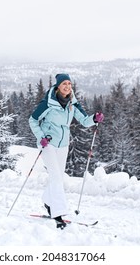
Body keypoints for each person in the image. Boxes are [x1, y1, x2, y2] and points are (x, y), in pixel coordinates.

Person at [28, 73, 104, 229]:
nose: (67, 86)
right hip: (47, 143)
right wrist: (41, 136)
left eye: (69, 84)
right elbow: (33, 120)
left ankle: (48, 201)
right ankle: (58, 214)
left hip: (63, 144)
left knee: (58, 177)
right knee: (56, 177)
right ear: (58, 86)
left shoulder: (72, 103)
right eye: (64, 84)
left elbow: (84, 120)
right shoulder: (48, 103)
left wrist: (94, 118)